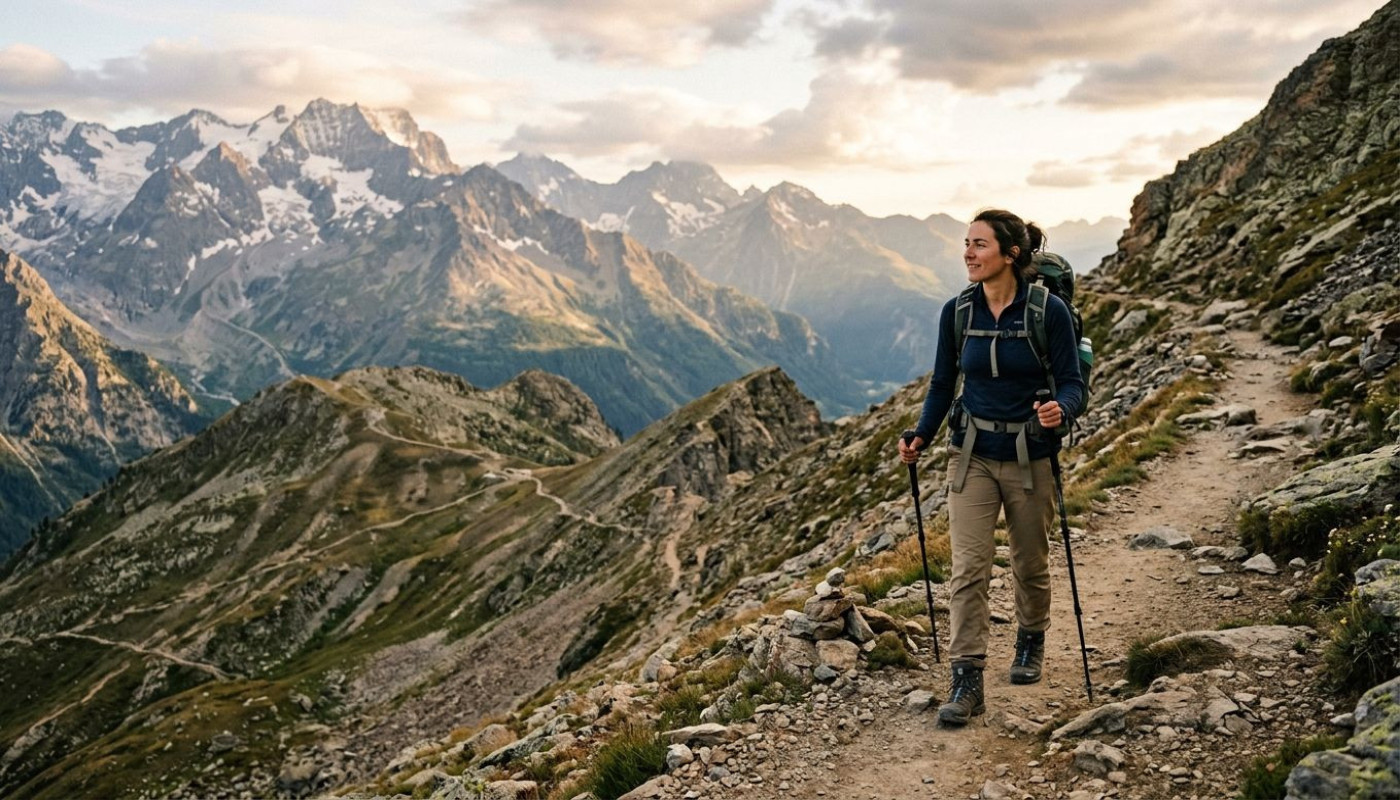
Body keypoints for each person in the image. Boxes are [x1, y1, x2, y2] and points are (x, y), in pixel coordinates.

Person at [897, 208, 1084, 726]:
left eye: (979, 244)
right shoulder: (957, 312)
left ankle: (1031, 638)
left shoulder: (1048, 312)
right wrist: (921, 434)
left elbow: (1073, 382)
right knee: (969, 568)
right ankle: (967, 679)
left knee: (1030, 562)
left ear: (1011, 254)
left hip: (1030, 454)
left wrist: (1061, 409)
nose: (968, 253)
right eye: (966, 243)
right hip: (971, 454)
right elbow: (943, 383)